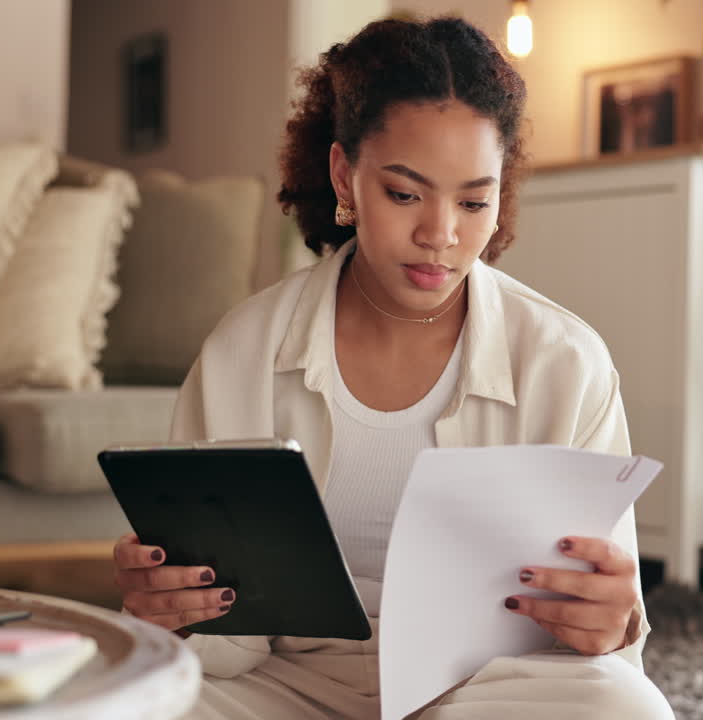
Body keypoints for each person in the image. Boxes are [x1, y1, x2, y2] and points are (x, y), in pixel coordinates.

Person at [110, 16, 674, 720]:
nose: (441, 235)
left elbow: (607, 651)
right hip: (282, 687)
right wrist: (174, 607)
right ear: (345, 175)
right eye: (405, 194)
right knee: (121, 701)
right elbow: (224, 649)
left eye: (474, 201)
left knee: (628, 710)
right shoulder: (243, 350)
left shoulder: (566, 363)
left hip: (484, 690)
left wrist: (611, 624)